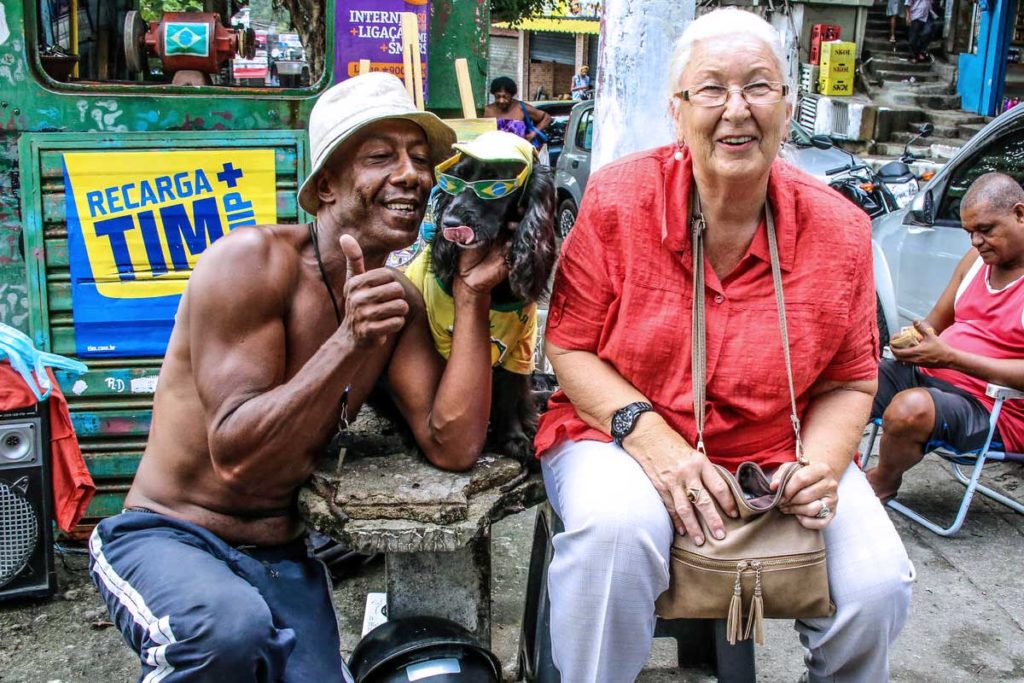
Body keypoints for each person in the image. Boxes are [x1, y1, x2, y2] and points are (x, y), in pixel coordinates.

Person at [87, 73, 509, 682]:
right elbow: (236, 456)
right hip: (169, 534)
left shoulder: (394, 301)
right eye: (380, 157)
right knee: (227, 633)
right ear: (326, 186)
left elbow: (454, 443)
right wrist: (347, 341)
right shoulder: (250, 264)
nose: (413, 174)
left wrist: (472, 295)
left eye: (420, 158)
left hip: (281, 552)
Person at [534, 9, 914, 682]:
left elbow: (854, 378)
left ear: (788, 107)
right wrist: (648, 434)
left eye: (758, 87)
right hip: (617, 434)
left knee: (879, 584)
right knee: (614, 536)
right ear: (677, 111)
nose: (735, 109)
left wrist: (819, 467)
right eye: (711, 88)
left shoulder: (841, 230)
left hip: (778, 446)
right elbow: (568, 345)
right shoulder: (618, 200)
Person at [867, 172, 1024, 502]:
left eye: (986, 230)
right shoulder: (975, 261)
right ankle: (812, 465)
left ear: (1020, 215)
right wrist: (909, 341)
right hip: (933, 379)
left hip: (995, 407)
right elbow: (934, 323)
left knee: (910, 409)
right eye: (970, 233)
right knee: (851, 376)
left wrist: (951, 358)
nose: (976, 242)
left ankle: (882, 481)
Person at [484, 76, 552, 151]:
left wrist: (533, 133)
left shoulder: (521, 108)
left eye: (505, 97)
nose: (501, 100)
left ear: (511, 95)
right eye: (498, 97)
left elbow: (547, 117)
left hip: (520, 155)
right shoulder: (488, 110)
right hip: (494, 155)